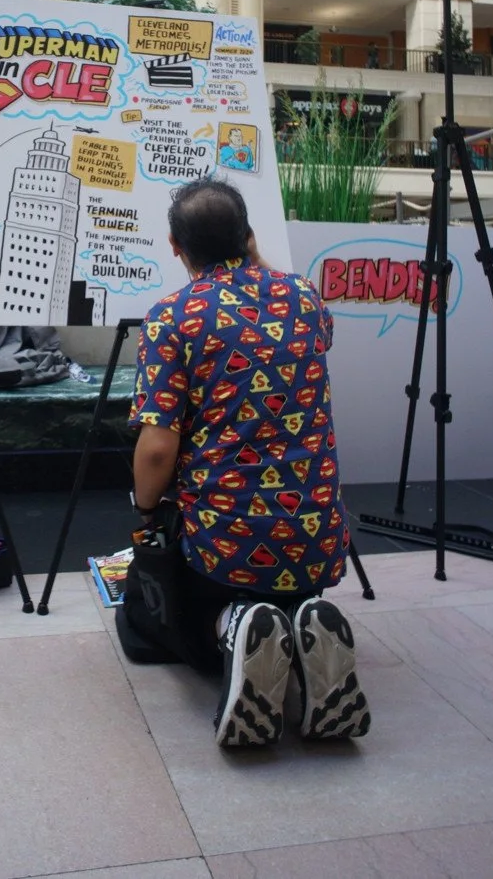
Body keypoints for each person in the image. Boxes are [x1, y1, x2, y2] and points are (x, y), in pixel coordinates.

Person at [128, 176, 369, 749]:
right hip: (316, 538)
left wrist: (144, 512)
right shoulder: (306, 298)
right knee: (281, 576)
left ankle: (232, 627)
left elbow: (158, 447)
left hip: (226, 546)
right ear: (249, 235)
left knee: (148, 621)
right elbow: (319, 333)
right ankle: (299, 616)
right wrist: (253, 255)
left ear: (175, 247)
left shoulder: (172, 318)